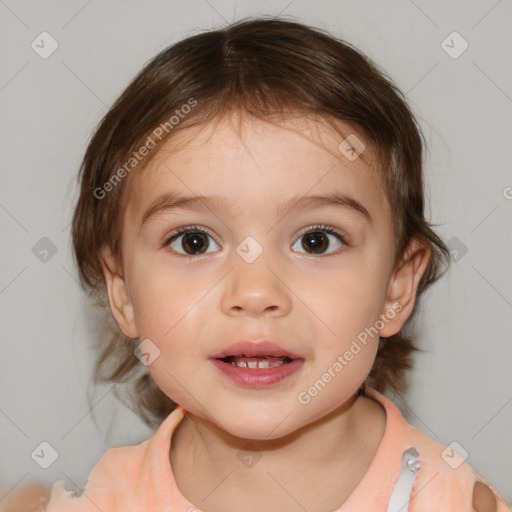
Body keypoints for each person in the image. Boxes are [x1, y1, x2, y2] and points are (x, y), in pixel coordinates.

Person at [27, 15, 510, 512]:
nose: (255, 292)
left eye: (317, 241)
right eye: (194, 242)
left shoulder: (452, 502)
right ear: (123, 290)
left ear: (396, 287)